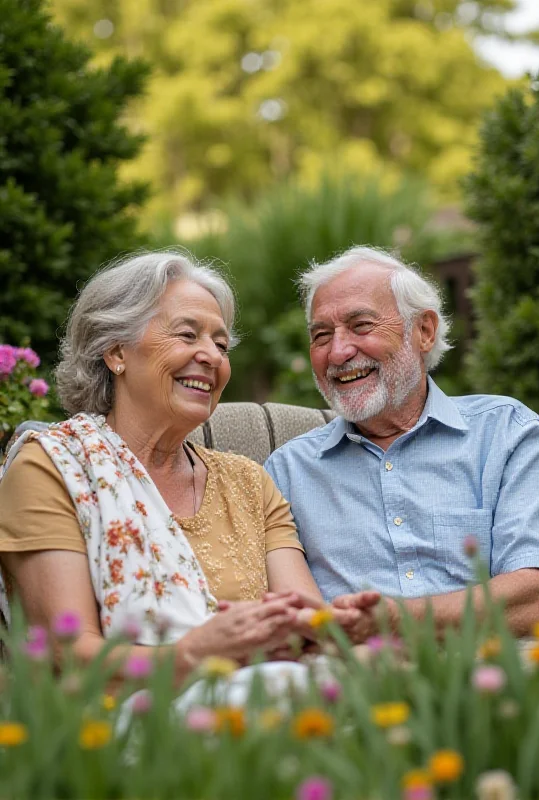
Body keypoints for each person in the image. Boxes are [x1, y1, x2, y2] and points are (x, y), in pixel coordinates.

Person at [0, 250, 333, 681]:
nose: (211, 356)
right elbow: (69, 655)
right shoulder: (52, 468)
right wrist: (194, 655)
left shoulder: (250, 482)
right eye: (187, 335)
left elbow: (306, 623)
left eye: (220, 344)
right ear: (116, 350)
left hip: (262, 708)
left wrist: (341, 626)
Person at [264, 246, 539, 638]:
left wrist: (395, 619)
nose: (338, 351)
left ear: (424, 331)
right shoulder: (287, 472)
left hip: (500, 676)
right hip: (358, 684)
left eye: (361, 325)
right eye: (321, 335)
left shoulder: (506, 432)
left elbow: (538, 600)